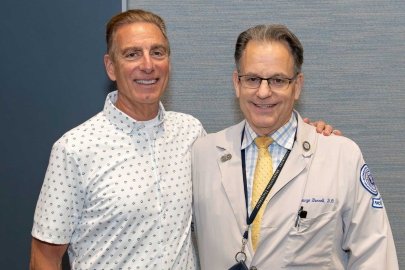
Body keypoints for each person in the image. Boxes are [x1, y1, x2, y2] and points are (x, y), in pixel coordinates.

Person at [30, 10, 336, 269]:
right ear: (111, 66)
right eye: (132, 54)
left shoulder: (192, 134)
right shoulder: (74, 149)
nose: (147, 65)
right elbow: (44, 255)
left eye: (158, 52)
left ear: (168, 62)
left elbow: (253, 166)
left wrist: (305, 133)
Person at [191, 24, 398, 269]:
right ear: (237, 83)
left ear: (297, 86)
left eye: (278, 80)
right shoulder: (200, 155)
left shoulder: (342, 156)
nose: (264, 92)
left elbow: (375, 255)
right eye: (252, 79)